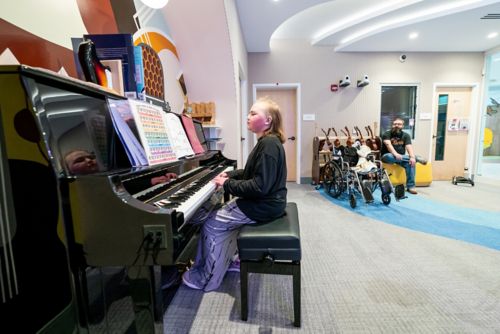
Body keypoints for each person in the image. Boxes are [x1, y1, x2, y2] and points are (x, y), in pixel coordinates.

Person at [181, 97, 288, 292]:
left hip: (263, 206)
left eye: (254, 113)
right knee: (217, 213)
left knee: (211, 222)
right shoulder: (267, 142)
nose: (248, 116)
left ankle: (206, 277)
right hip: (268, 203)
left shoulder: (268, 146)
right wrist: (228, 175)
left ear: (268, 121)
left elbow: (259, 186)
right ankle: (227, 259)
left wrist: (227, 184)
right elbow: (251, 172)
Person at [381, 117, 427, 194]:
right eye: (395, 124)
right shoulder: (387, 134)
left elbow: (409, 147)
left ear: (402, 126)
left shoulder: (406, 135)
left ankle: (410, 187)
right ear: (392, 125)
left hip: (401, 158)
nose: (396, 125)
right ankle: (417, 158)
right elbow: (388, 145)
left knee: (411, 163)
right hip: (388, 157)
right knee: (390, 156)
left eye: (399, 124)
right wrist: (395, 154)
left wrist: (412, 157)